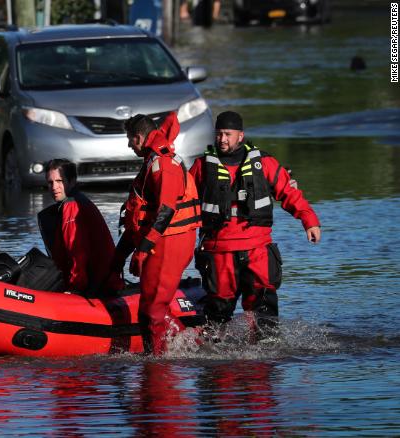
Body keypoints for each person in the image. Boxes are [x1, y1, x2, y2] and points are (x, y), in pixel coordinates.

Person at [189, 111, 321, 336]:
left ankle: (266, 358)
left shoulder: (264, 163)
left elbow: (289, 193)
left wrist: (309, 221)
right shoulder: (202, 166)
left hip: (257, 249)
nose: (222, 139)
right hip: (219, 251)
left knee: (265, 313)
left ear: (240, 135)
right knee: (217, 316)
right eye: (219, 134)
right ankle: (218, 361)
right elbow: (183, 200)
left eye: (228, 134)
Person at [111, 112, 201, 355]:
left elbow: (166, 211)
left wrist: (142, 250)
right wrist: (120, 256)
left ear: (139, 138)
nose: (129, 145)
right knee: (154, 307)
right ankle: (191, 346)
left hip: (169, 240)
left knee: (151, 310)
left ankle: (157, 365)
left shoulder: (163, 165)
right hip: (162, 240)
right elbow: (141, 215)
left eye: (130, 139)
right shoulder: (152, 161)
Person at [37, 159, 123, 294]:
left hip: (99, 287)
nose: (54, 187)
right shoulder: (77, 201)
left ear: (72, 181)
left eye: (60, 181)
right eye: (50, 182)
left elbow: (77, 251)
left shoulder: (72, 206)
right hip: (101, 281)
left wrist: (75, 288)